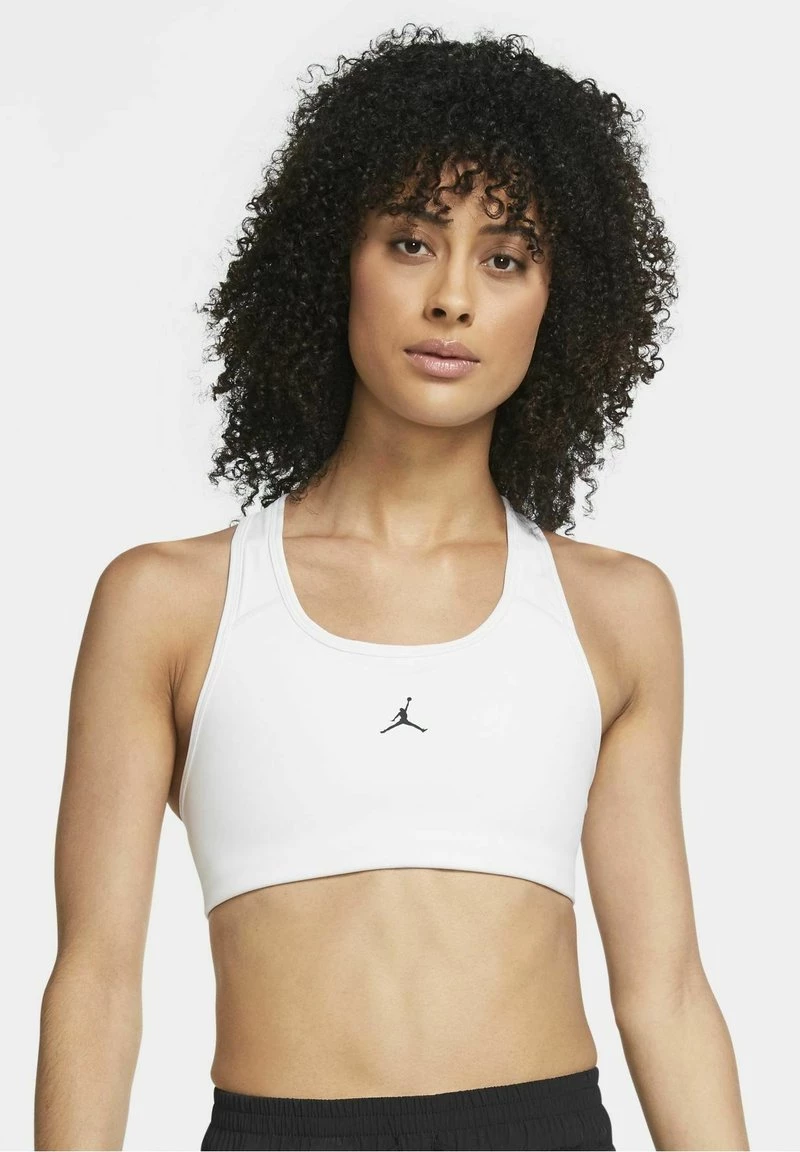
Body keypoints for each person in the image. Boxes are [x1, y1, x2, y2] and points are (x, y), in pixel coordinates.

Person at [34, 24, 750, 1152]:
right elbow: (96, 981)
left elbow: (665, 994)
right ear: (336, 259)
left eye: (505, 258)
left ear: (558, 301)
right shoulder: (170, 603)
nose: (453, 298)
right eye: (413, 242)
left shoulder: (614, 613)